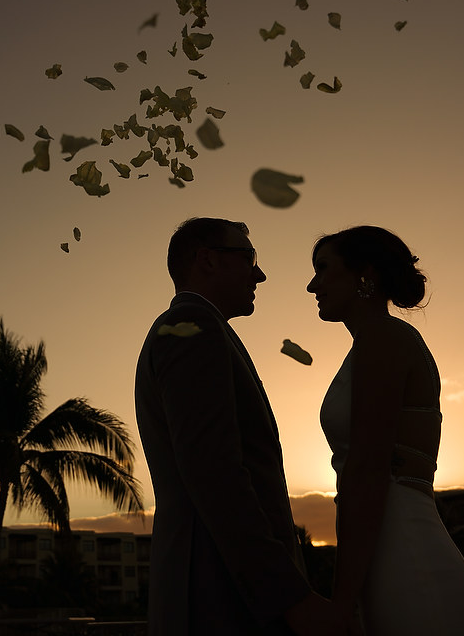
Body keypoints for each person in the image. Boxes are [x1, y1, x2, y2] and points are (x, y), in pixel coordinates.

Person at [135, 217, 347, 636]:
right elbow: (215, 474)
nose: (260, 273)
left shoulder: (198, 330)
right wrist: (291, 598)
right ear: (208, 260)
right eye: (249, 257)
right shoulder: (193, 329)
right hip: (218, 591)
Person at [308, 225, 464, 635]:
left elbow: (368, 471)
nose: (312, 284)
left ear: (364, 274)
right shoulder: (372, 343)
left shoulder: (384, 339)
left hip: (410, 566)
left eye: (323, 268)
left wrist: (342, 603)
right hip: (388, 558)